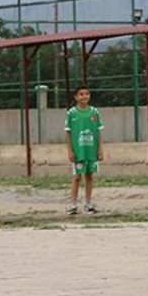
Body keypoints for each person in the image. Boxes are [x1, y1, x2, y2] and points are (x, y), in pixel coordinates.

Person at [64, 85, 104, 215]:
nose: (84, 96)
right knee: (77, 177)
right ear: (76, 97)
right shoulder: (71, 113)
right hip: (78, 151)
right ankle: (73, 205)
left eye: (86, 94)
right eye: (81, 94)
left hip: (91, 150)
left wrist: (100, 150)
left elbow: (98, 132)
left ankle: (88, 204)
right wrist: (70, 151)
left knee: (89, 176)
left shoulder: (94, 112)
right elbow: (68, 133)